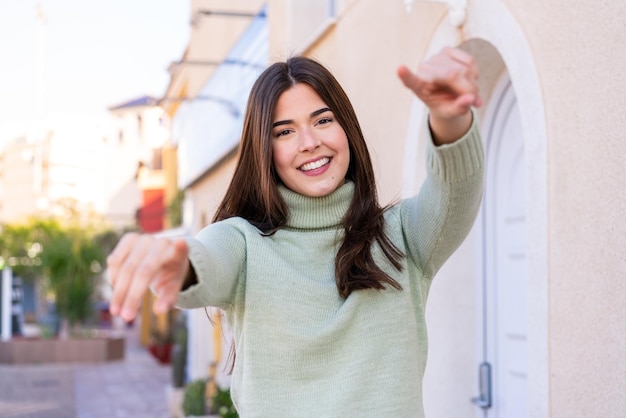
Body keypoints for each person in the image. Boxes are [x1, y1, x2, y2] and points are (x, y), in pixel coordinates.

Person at [107, 46, 484, 417]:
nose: (309, 143)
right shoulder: (242, 243)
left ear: (346, 128)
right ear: (264, 150)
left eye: (323, 120)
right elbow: (207, 258)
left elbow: (456, 190)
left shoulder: (404, 234)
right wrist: (178, 265)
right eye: (284, 132)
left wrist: (449, 119)